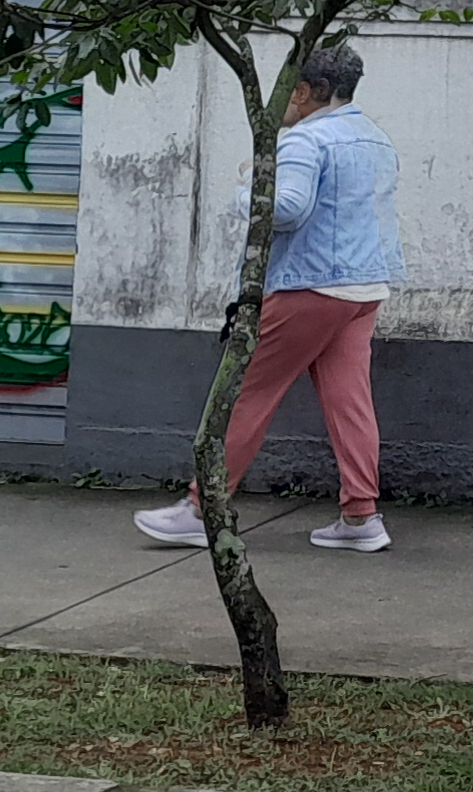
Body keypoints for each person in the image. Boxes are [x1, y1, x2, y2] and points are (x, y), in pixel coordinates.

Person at [135, 37, 398, 553]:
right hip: (363, 287)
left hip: (308, 287)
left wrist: (247, 189)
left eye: (290, 88)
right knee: (350, 402)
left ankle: (201, 509)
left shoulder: (305, 139)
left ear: (310, 90)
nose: (284, 99)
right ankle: (361, 517)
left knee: (246, 391)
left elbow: (288, 208)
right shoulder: (374, 138)